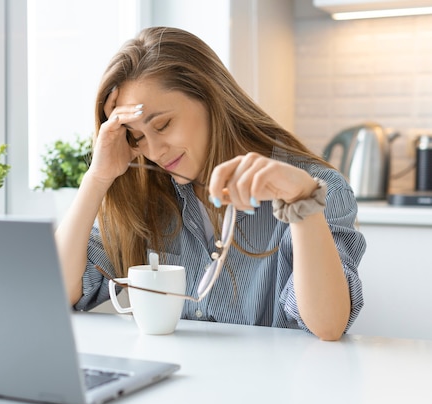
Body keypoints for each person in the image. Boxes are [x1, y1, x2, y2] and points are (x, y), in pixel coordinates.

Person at [55, 26, 365, 341]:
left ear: (210, 97)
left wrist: (303, 202)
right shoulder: (146, 193)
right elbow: (55, 291)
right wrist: (98, 177)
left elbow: (327, 325)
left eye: (162, 124)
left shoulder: (321, 188)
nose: (154, 151)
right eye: (136, 137)